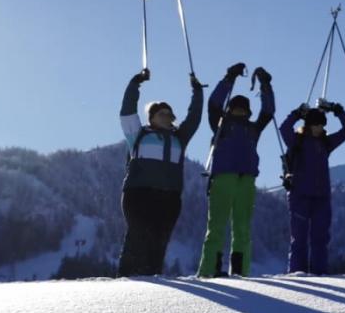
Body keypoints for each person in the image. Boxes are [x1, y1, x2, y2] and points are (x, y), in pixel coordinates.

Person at [117, 67, 204, 276]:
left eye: (170, 115)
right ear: (152, 117)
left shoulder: (179, 138)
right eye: (162, 114)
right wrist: (136, 82)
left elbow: (194, 117)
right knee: (137, 237)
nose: (167, 117)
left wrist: (197, 91)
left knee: (159, 240)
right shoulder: (137, 134)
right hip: (138, 193)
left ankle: (153, 283)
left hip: (169, 196)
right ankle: (125, 281)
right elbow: (127, 110)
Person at [198, 63, 275, 278]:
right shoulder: (221, 125)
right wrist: (228, 77)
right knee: (217, 227)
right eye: (236, 107)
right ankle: (209, 271)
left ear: (247, 111)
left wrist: (266, 85)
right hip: (224, 178)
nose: (240, 111)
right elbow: (214, 103)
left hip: (245, 180)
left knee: (242, 229)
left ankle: (240, 272)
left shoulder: (252, 128)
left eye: (243, 108)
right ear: (230, 109)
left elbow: (268, 111)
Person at [279, 100, 345, 275]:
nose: (320, 128)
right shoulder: (296, 141)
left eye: (322, 125)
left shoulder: (326, 143)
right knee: (299, 238)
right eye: (316, 125)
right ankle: (296, 272)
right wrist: (297, 113)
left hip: (321, 197)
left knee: (320, 238)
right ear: (308, 125)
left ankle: (319, 273)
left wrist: (338, 110)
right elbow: (284, 128)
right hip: (300, 195)